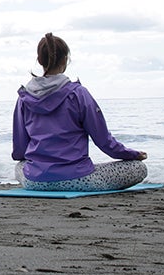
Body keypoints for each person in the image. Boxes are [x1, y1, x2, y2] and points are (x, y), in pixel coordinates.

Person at [12, 32, 147, 191]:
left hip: (35, 181)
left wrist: (39, 166)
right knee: (139, 168)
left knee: (20, 166)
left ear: (40, 60)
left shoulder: (24, 98)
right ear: (65, 60)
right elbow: (103, 141)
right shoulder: (78, 94)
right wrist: (132, 155)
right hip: (77, 179)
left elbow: (20, 150)